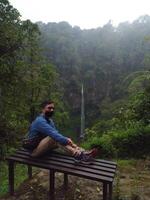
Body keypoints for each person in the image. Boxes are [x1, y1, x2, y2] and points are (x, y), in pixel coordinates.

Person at [23, 100, 97, 164]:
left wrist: (72, 143)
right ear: (42, 109)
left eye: (53, 108)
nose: (52, 110)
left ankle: (82, 152)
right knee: (54, 138)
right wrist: (68, 140)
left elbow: (57, 135)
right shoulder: (40, 121)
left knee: (59, 139)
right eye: (49, 108)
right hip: (33, 151)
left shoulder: (50, 121)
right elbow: (55, 136)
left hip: (42, 146)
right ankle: (78, 155)